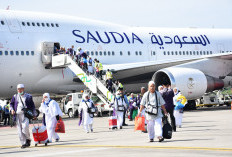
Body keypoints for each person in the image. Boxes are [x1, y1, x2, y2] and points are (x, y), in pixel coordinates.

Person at [10, 84, 36, 148]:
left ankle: (28, 139)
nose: (19, 90)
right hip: (17, 115)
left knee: (25, 127)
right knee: (20, 131)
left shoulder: (28, 96)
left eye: (21, 89)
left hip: (25, 115)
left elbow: (32, 106)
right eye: (18, 89)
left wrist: (34, 114)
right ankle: (24, 143)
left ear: (23, 89)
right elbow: (11, 104)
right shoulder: (15, 96)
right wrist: (12, 110)